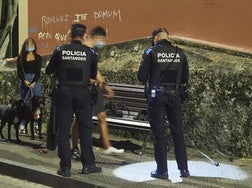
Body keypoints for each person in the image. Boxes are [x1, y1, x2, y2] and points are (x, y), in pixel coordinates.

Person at [45, 23, 102, 177]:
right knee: (85, 129)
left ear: (70, 34)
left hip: (64, 92)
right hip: (82, 93)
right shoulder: (90, 52)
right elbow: (92, 74)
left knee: (63, 130)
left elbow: (49, 70)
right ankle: (88, 165)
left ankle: (65, 167)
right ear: (83, 36)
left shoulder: (60, 49)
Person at [137, 28, 190, 180]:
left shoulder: (150, 52)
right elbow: (185, 78)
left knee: (159, 134)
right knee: (177, 132)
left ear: (156, 38)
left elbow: (141, 76)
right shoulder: (180, 53)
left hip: (157, 96)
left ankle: (162, 171)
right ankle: (184, 169)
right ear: (168, 37)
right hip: (175, 96)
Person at [71, 26, 124, 159]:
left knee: (102, 116)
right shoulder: (83, 50)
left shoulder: (93, 51)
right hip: (84, 89)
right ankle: (74, 147)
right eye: (104, 39)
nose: (104, 42)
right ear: (98, 37)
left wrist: (105, 86)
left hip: (95, 88)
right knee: (78, 119)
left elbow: (95, 70)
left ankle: (107, 146)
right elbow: (79, 72)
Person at [17, 38, 42, 135]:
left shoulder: (38, 58)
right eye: (28, 44)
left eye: (32, 44)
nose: (30, 46)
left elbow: (38, 72)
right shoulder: (21, 58)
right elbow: (19, 72)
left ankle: (36, 125)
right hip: (24, 81)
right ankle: (23, 125)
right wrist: (24, 81)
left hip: (35, 82)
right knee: (25, 104)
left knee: (35, 105)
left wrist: (34, 82)